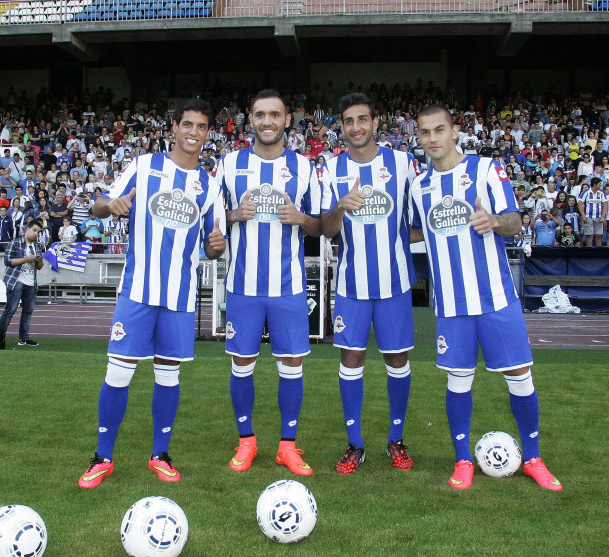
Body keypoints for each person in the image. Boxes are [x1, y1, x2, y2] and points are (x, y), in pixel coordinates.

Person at [409, 104, 561, 491]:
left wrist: (494, 221)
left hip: (496, 298)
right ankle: (462, 461)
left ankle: (533, 458)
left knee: (519, 377)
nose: (432, 139)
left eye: (439, 130)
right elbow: (411, 232)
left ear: (454, 130)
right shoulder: (418, 187)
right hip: (452, 306)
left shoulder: (486, 169)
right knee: (459, 381)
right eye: (424, 133)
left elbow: (514, 221)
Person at [77, 99, 226, 489]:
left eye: (202, 126)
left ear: (208, 133)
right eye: (188, 125)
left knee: (168, 377)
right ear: (174, 128)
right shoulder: (144, 166)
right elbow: (96, 207)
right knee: (118, 372)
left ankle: (160, 454)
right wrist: (111, 205)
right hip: (137, 290)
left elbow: (213, 246)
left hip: (179, 296)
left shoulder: (209, 186)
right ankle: (102, 457)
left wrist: (216, 245)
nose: (194, 133)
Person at [216, 89, 322, 477]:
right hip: (242, 286)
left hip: (288, 286)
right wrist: (232, 214)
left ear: (287, 120)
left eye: (274, 114)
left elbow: (322, 224)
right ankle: (246, 441)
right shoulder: (229, 164)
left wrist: (301, 219)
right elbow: (212, 219)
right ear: (250, 119)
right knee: (241, 364)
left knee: (291, 365)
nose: (267, 121)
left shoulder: (306, 167)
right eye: (260, 114)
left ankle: (287, 446)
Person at [319, 93, 417, 475]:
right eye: (348, 121)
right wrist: (341, 206)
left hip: (395, 283)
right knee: (351, 358)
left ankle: (396, 440)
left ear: (375, 123)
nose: (356, 127)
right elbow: (326, 231)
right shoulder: (330, 169)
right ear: (341, 126)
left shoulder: (402, 163)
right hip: (351, 286)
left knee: (397, 358)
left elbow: (415, 220)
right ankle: (355, 444)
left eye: (363, 119)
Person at [0, 220, 46, 346]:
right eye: (34, 230)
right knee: (10, 310)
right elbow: (8, 261)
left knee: (28, 311)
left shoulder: (38, 246)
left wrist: (38, 260)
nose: (36, 234)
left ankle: (24, 338)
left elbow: (40, 267)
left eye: (38, 232)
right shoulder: (15, 243)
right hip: (16, 280)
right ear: (27, 230)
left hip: (31, 281)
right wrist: (26, 259)